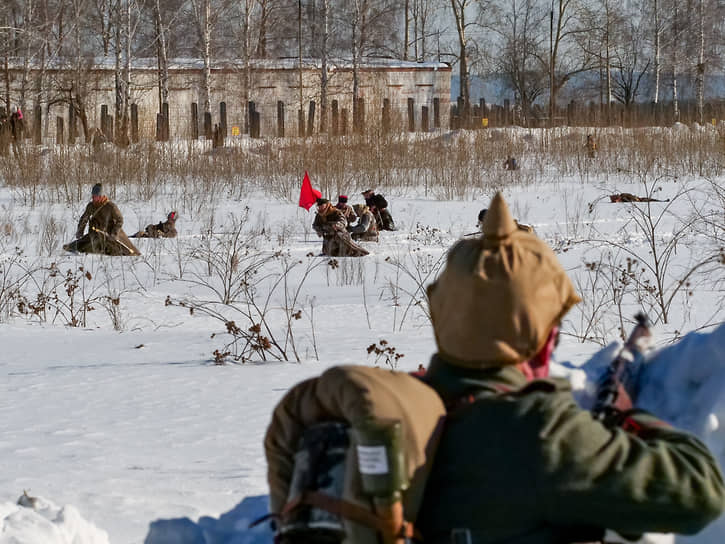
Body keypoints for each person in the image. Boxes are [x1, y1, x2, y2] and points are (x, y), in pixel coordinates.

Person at [417, 192, 725, 543]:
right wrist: (628, 414)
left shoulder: (403, 409)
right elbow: (701, 492)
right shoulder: (542, 434)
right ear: (546, 340)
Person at [63, 183, 141, 256]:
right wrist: (80, 232)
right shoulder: (90, 206)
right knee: (76, 246)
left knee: (128, 252)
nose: (93, 198)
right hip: (95, 234)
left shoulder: (111, 206)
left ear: (101, 196)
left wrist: (114, 233)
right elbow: (84, 219)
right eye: (92, 196)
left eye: (95, 196)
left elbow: (119, 220)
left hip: (110, 235)